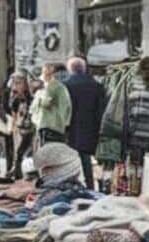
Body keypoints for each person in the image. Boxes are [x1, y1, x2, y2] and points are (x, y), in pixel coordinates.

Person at [62, 56, 107, 188]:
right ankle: (89, 186)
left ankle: (72, 186)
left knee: (70, 160)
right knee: (86, 161)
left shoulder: (65, 85)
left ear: (69, 69)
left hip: (70, 129)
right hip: (89, 128)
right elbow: (101, 110)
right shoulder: (96, 86)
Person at [31, 63, 72, 146]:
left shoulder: (50, 86)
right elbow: (68, 107)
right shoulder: (62, 87)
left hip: (48, 124)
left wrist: (38, 97)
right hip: (59, 126)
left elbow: (45, 103)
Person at [8, 71, 35, 178]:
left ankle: (28, 173)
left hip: (31, 127)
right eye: (15, 83)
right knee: (18, 152)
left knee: (27, 152)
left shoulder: (32, 96)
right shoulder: (15, 97)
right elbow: (12, 109)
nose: (15, 86)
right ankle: (17, 172)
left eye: (19, 83)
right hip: (20, 128)